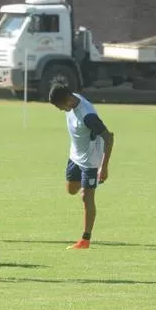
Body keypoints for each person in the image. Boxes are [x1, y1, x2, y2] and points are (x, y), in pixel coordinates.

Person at [47, 84, 115, 250]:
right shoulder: (71, 99)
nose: (60, 110)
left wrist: (104, 167)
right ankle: (90, 183)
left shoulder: (88, 116)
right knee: (71, 190)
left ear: (68, 100)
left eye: (59, 106)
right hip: (75, 155)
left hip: (91, 161)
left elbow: (109, 137)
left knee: (86, 196)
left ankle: (85, 239)